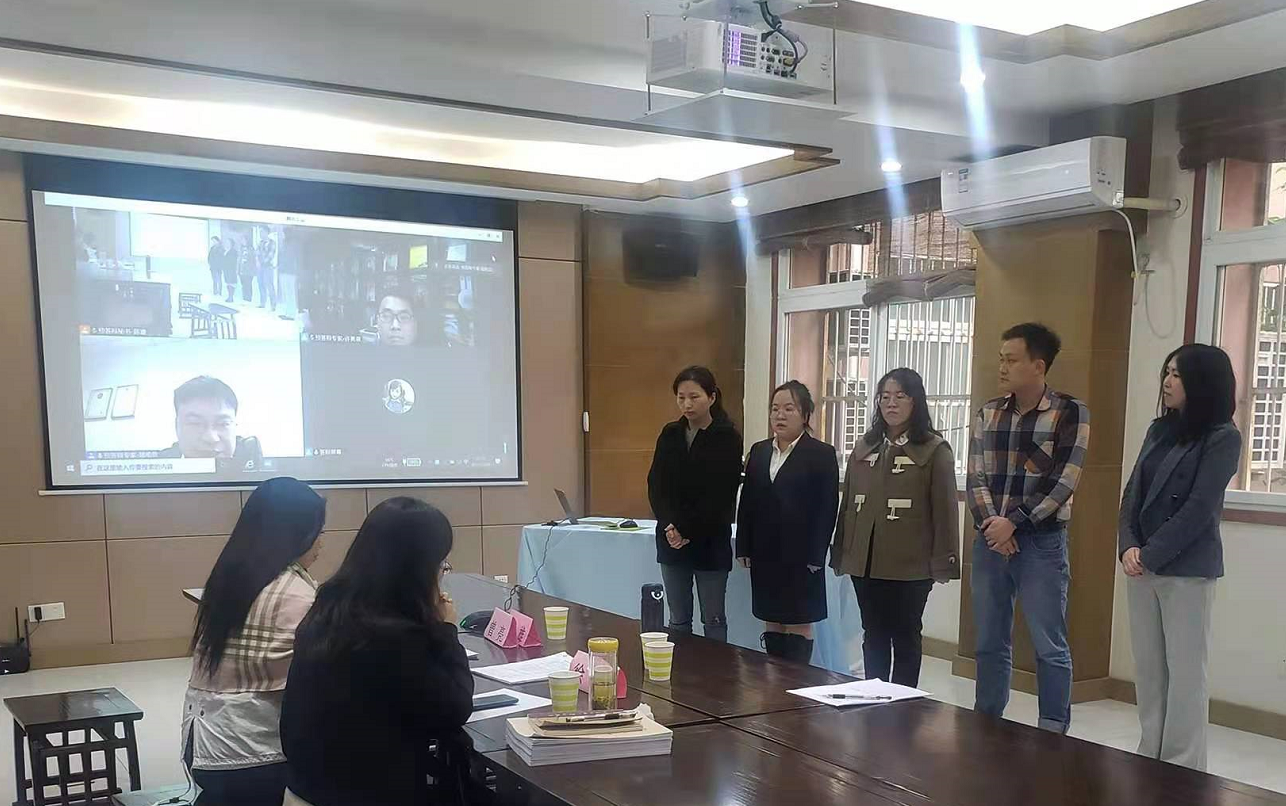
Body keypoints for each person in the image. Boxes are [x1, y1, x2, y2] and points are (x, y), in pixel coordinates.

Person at [282, 497, 473, 806]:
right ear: (417, 569)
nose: (440, 575)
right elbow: (454, 708)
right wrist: (446, 630)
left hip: (304, 790)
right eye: (441, 566)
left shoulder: (330, 607)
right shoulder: (390, 634)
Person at [1119, 344, 1240, 771]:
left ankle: (1183, 765)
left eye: (1178, 374)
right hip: (1141, 565)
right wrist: (1128, 545)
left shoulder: (1223, 436)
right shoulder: (1159, 429)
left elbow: (1199, 507)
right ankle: (1151, 754)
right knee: (1150, 671)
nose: (1167, 382)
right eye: (1167, 372)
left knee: (1185, 673)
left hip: (1187, 570)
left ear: (1202, 382)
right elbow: (1133, 493)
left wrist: (1150, 554)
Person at [968, 322, 1090, 734]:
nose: (1002, 367)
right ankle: (986, 724)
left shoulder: (1069, 412)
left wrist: (1014, 524)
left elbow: (1064, 481)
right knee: (989, 642)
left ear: (1038, 366)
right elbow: (975, 477)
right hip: (990, 541)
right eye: (1001, 359)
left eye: (1012, 360)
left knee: (1049, 645)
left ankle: (1053, 732)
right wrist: (993, 527)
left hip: (1041, 543)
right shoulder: (988, 412)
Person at [183, 477, 326, 806]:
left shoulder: (230, 577)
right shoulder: (295, 594)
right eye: (319, 531)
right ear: (298, 534)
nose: (322, 543)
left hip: (201, 744)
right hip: (254, 756)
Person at [830, 368, 960, 686]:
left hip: (911, 567)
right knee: (873, 634)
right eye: (885, 397)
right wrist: (842, 552)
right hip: (865, 562)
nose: (891, 403)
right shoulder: (865, 447)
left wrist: (943, 563)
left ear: (916, 401)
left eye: (900, 396)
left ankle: (903, 705)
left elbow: (945, 513)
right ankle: (873, 699)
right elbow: (848, 507)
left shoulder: (934, 450)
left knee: (905, 635)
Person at [736, 380, 840, 663]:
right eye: (774, 409)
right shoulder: (759, 451)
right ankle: (774, 680)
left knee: (798, 621)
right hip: (765, 552)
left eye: (788, 409)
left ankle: (797, 682)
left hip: (802, 556)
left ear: (805, 414)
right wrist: (744, 546)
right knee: (771, 618)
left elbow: (827, 508)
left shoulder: (821, 454)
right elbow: (747, 502)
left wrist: (816, 555)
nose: (779, 415)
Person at [647, 366, 744, 642]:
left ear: (712, 397)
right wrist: (669, 525)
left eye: (694, 397)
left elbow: (721, 493)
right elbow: (656, 484)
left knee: (713, 619)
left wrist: (686, 530)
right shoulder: (670, 433)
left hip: (709, 539)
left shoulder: (727, 437)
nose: (687, 404)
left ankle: (715, 670)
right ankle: (680, 668)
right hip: (671, 539)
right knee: (678, 619)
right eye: (681, 398)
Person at [158, 376, 263, 468]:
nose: (211, 438)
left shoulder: (257, 469)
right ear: (177, 427)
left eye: (223, 424)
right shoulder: (158, 468)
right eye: (195, 423)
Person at [257, 237, 278, 311]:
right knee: (261, 284)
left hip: (268, 267)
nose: (261, 234)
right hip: (260, 267)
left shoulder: (272, 243)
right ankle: (262, 302)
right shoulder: (260, 242)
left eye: (263, 232)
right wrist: (258, 261)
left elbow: (271, 255)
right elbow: (257, 253)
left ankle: (273, 304)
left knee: (269, 284)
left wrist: (263, 261)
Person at [221, 238, 240, 304]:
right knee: (227, 282)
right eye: (226, 243)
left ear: (231, 244)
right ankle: (229, 296)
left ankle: (231, 296)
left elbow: (233, 261)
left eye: (228, 243)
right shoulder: (225, 251)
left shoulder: (233, 251)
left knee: (231, 282)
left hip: (231, 269)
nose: (227, 244)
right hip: (226, 269)